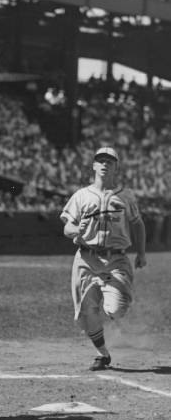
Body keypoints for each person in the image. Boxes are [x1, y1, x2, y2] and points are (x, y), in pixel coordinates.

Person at [60, 146, 146, 371]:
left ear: (117, 167)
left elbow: (138, 224)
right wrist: (75, 230)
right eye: (101, 160)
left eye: (110, 160)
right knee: (86, 311)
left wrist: (142, 253)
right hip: (86, 259)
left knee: (115, 310)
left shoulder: (126, 196)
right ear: (94, 165)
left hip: (116, 259)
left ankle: (111, 298)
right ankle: (102, 354)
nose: (105, 163)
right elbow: (67, 225)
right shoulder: (81, 195)